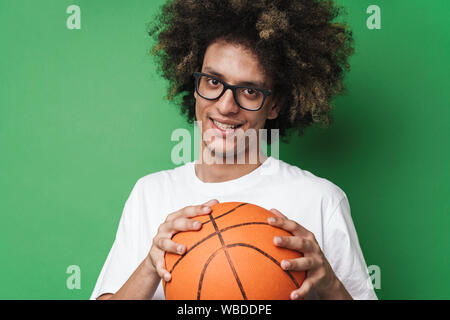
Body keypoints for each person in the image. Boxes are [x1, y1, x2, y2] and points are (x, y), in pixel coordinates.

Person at [90, 0, 377, 300]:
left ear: (275, 104)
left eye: (250, 91)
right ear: (195, 81)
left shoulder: (321, 200)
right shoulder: (150, 194)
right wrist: (150, 266)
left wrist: (329, 283)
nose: (226, 106)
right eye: (213, 81)